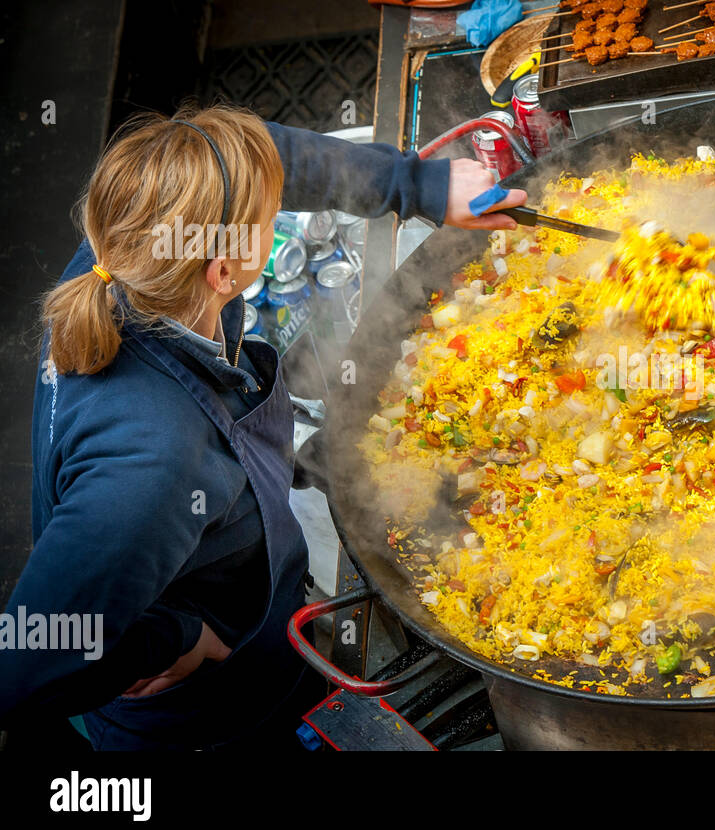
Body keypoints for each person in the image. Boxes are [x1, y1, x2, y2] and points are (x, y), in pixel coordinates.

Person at [0, 104, 526, 750]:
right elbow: (22, 666)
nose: (277, 212)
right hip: (209, 706)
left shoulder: (126, 241)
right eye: (267, 219)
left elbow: (258, 157)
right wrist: (178, 638)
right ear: (224, 273)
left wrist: (420, 186)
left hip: (247, 601)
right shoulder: (153, 464)